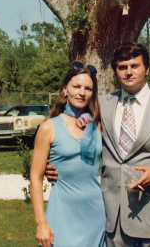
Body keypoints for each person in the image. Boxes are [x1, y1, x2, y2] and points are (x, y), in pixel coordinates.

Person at [46, 42, 150, 246]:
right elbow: (71, 134)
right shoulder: (100, 105)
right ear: (116, 71)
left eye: (134, 66)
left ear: (147, 69)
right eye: (122, 67)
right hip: (112, 223)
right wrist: (55, 165)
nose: (128, 72)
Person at [30, 62, 106, 246]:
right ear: (65, 89)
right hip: (62, 216)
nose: (82, 92)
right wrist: (41, 223)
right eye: (76, 86)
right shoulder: (49, 127)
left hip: (95, 216)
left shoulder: (97, 126)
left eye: (88, 88)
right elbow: (35, 177)